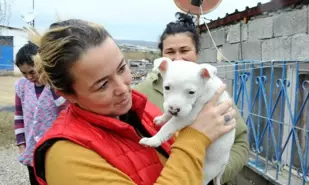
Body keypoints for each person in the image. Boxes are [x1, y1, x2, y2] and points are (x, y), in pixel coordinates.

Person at [27, 19, 237, 185]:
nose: (123, 88)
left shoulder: (140, 111)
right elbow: (188, 148)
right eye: (102, 85)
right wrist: (196, 139)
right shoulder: (67, 158)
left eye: (121, 68)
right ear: (68, 94)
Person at [135, 12, 249, 185]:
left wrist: (215, 175)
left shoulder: (215, 92)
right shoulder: (140, 93)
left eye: (185, 50)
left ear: (197, 53)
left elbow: (240, 141)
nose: (178, 58)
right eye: (170, 52)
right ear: (162, 57)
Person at [13, 42, 67, 185]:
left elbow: (65, 109)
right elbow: (19, 116)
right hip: (32, 151)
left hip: (54, 149)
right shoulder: (21, 87)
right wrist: (22, 146)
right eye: (24, 73)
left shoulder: (56, 85)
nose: (29, 77)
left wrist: (49, 82)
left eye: (32, 72)